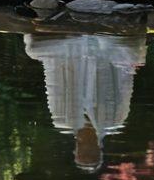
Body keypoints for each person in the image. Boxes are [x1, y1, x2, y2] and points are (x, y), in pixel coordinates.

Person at [23, 32, 147, 172]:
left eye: (85, 153)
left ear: (76, 149)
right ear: (99, 150)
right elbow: (125, 77)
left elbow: (53, 78)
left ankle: (82, 39)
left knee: (33, 48)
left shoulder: (62, 120)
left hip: (72, 50)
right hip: (104, 51)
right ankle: (90, 39)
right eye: (91, 154)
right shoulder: (115, 120)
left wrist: (66, 51)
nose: (87, 149)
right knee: (132, 53)